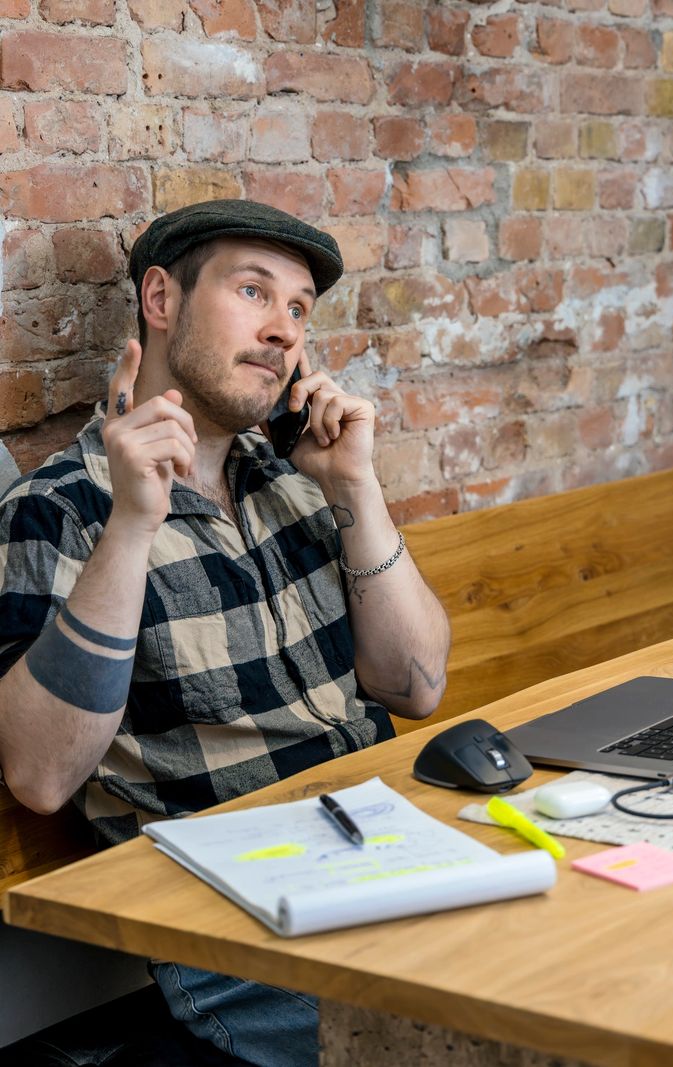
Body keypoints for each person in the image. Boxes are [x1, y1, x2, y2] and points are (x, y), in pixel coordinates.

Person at [0, 199, 451, 1066]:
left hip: (394, 852)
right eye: (253, 292)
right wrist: (133, 524)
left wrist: (356, 490)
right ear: (161, 300)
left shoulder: (295, 481)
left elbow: (417, 685)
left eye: (297, 310)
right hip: (246, 928)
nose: (283, 331)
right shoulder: (56, 511)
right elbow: (42, 774)